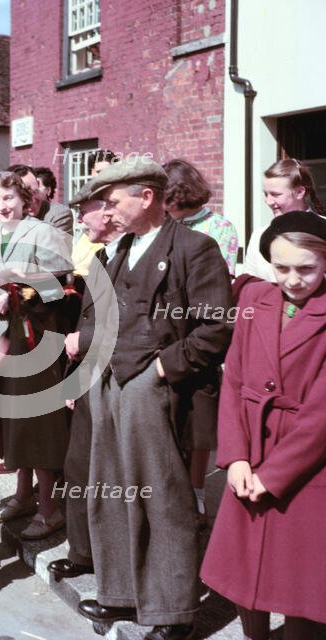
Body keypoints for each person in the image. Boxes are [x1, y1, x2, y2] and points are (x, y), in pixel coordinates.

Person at [68, 158, 232, 640]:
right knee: (110, 490)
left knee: (162, 499)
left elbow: (217, 324)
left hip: (155, 390)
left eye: (114, 200)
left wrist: (164, 369)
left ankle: (171, 610)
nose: (107, 210)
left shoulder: (195, 248)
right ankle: (119, 593)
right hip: (111, 382)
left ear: (147, 197)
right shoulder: (117, 252)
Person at [201, 211, 326, 640]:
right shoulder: (255, 301)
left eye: (306, 268)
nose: (292, 279)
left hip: (306, 464)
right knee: (242, 569)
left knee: (300, 584)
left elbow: (321, 417)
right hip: (250, 450)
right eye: (281, 267)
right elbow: (234, 378)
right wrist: (234, 456)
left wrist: (273, 475)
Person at [0, 171, 72, 540]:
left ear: (25, 201)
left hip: (38, 338)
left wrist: (16, 292)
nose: (2, 207)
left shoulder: (44, 231)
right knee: (15, 421)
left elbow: (62, 285)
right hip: (5, 338)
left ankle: (50, 510)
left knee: (39, 424)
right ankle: (23, 495)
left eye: (9, 199)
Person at [48, 191, 124, 581]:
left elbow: (130, 319)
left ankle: (110, 564)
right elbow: (85, 318)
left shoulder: (129, 256)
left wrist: (87, 338)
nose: (80, 220)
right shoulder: (100, 258)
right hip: (88, 375)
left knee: (111, 478)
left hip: (121, 381)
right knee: (77, 467)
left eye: (85, 212)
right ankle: (82, 554)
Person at [163, 158, 239, 526]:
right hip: (170, 336)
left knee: (200, 419)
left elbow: (217, 285)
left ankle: (196, 489)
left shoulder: (218, 228)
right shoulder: (167, 227)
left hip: (200, 332)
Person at [244, 158, 325, 281]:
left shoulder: (323, 228)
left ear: (299, 192)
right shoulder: (259, 236)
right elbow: (250, 283)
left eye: (276, 194)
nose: (268, 201)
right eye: (266, 194)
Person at [8, 164, 74, 242]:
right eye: (24, 196)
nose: (32, 200)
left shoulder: (59, 215)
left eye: (35, 192)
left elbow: (55, 251)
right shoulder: (3, 217)